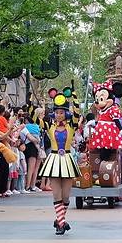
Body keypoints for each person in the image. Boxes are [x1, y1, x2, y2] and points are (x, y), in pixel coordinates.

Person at [37, 87, 81, 235]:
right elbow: (34, 118)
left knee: (66, 197)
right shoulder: (49, 126)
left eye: (61, 112)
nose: (59, 115)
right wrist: (31, 103)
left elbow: (77, 112)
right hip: (54, 160)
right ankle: (61, 224)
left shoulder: (71, 126)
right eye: (57, 112)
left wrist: (74, 96)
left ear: (65, 113)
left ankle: (59, 220)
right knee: (57, 195)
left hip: (67, 160)